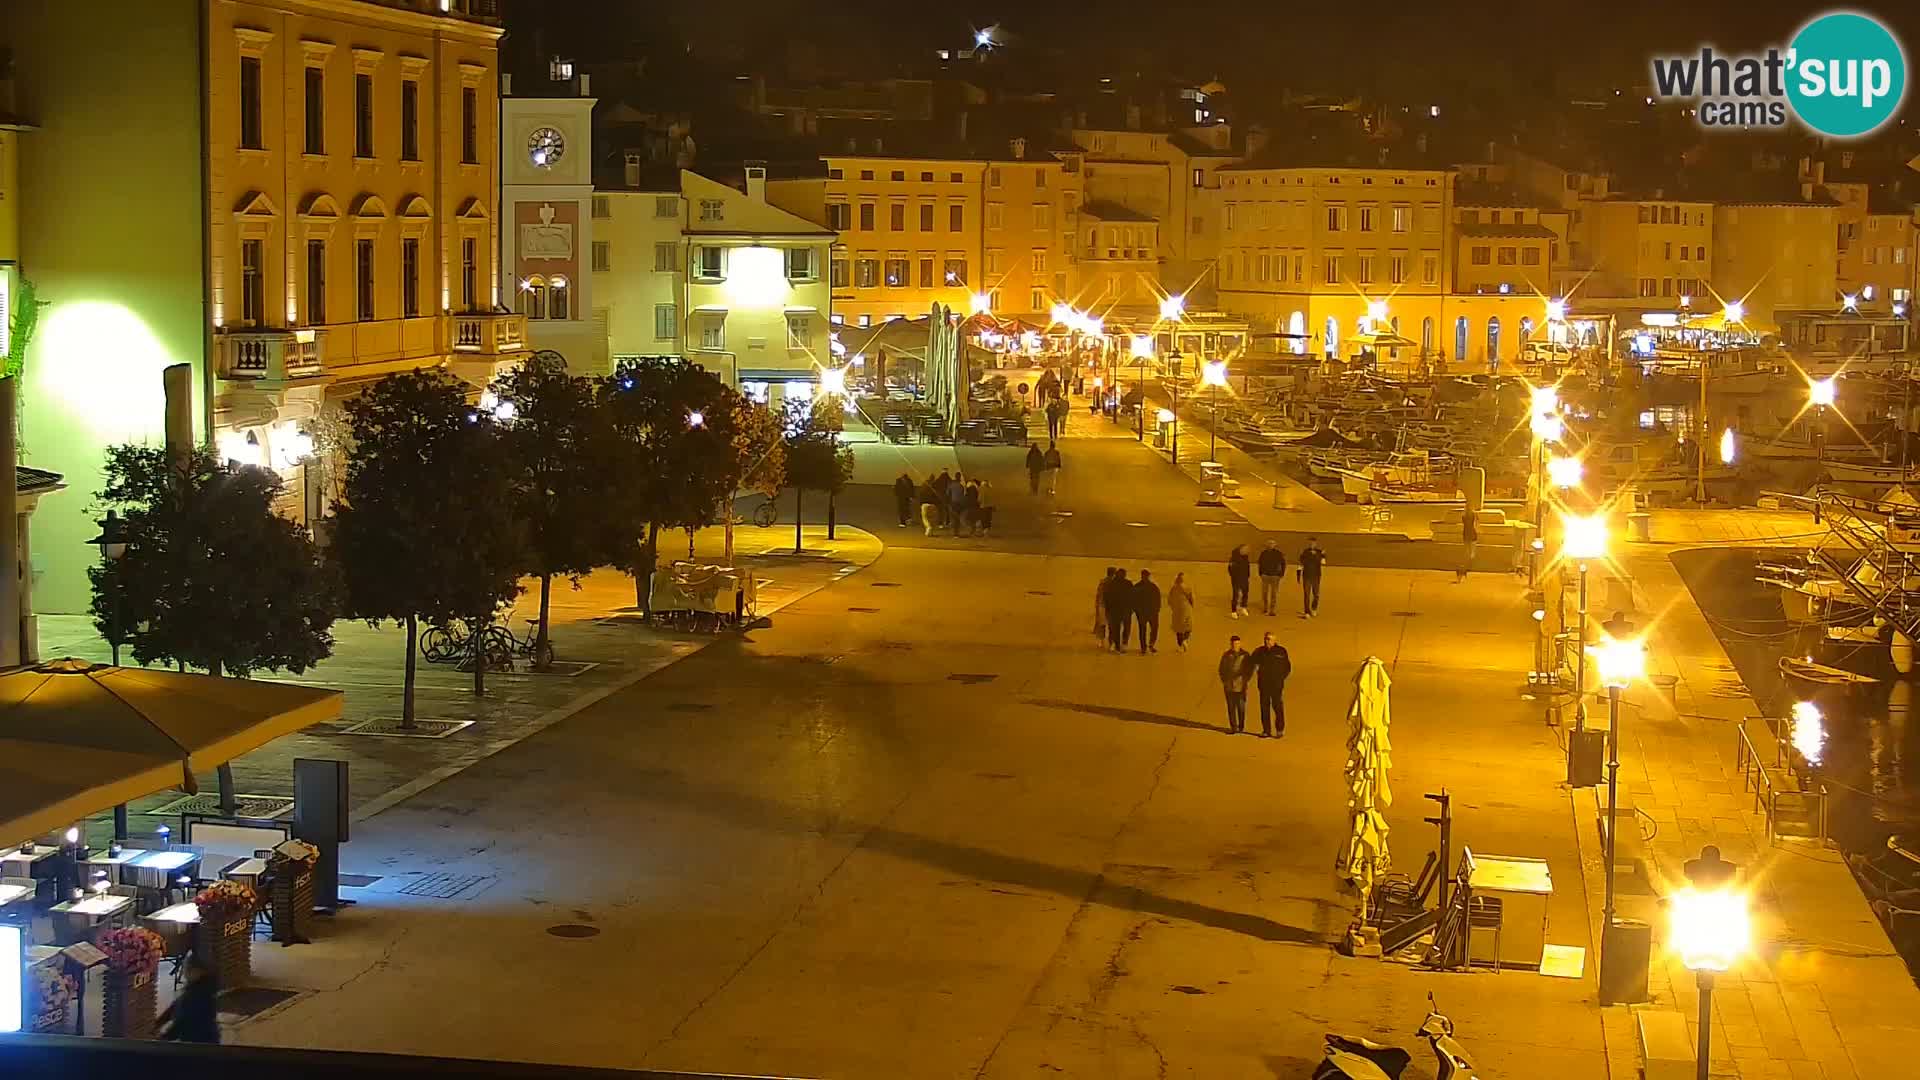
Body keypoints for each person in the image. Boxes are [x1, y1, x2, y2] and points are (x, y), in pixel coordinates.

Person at [159, 947, 221, 1043]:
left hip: (199, 1043)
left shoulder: (197, 994)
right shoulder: (198, 987)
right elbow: (176, 1005)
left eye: (187, 967)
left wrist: (163, 1038)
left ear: (198, 971)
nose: (184, 971)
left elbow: (182, 1023)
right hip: (205, 1039)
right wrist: (160, 1021)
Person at [1248, 631, 1293, 737]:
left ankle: (1279, 729)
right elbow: (1251, 663)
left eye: (1269, 639)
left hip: (1276, 685)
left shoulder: (1281, 651)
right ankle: (1266, 730)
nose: (1267, 641)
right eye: (1265, 639)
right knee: (1264, 708)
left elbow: (1287, 667)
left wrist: (1281, 678)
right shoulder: (1259, 651)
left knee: (1277, 707)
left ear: (1274, 640)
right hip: (1264, 685)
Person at [1217, 635, 1251, 733]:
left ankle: (1241, 726)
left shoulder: (1245, 655)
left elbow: (1249, 669)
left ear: (1240, 644)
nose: (1235, 645)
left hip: (1241, 686)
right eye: (1233, 643)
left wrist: (1245, 679)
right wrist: (1224, 680)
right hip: (1229, 686)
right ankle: (1233, 727)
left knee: (1241, 707)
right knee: (1231, 707)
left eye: (1236, 643)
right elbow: (1221, 669)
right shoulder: (1226, 655)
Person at [1133, 569, 1162, 654]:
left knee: (1150, 629)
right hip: (1146, 612)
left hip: (1149, 612)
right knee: (1145, 630)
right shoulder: (1152, 586)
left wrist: (1157, 609)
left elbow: (1158, 599)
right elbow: (1133, 599)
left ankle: (1148, 645)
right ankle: (1146, 646)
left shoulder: (1139, 586)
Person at [1257, 539, 1288, 616]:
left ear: (1275, 545)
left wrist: (1281, 574)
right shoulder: (1263, 553)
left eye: (1272, 543)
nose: (1271, 545)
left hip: (1275, 576)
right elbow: (1260, 563)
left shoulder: (1278, 553)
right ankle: (1265, 607)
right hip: (1265, 575)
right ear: (1267, 545)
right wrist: (1261, 573)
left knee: (1274, 593)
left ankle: (1272, 609)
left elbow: (1283, 564)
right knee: (1264, 592)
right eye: (1269, 543)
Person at [1298, 537, 1327, 618]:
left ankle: (1314, 609)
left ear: (1316, 544)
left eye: (1313, 543)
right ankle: (1307, 611)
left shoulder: (1319, 552)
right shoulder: (1305, 552)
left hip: (1316, 576)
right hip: (1306, 575)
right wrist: (1298, 575)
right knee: (1306, 595)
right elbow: (1301, 563)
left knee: (1316, 594)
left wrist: (1323, 555)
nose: (1312, 544)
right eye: (1310, 543)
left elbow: (1323, 563)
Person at [1104, 570, 1132, 652]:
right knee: (1118, 629)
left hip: (1121, 610)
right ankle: (1119, 645)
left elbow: (1133, 597)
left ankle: (1122, 644)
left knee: (1121, 628)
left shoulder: (1125, 584)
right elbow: (1107, 597)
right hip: (1118, 610)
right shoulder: (1113, 584)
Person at [1168, 572, 1196, 651]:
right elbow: (1191, 599)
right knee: (1188, 627)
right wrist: (1192, 606)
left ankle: (1181, 643)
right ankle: (1185, 640)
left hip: (1177, 610)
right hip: (1186, 609)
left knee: (1178, 629)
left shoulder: (1173, 588)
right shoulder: (1187, 588)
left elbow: (1169, 600)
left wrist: (1173, 607)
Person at [1227, 544, 1252, 617]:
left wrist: (1247, 576)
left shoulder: (1246, 557)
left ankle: (1243, 608)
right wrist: (1234, 577)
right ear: (1240, 549)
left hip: (1245, 579)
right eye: (1245, 549)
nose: (1247, 551)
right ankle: (1233, 612)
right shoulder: (1234, 558)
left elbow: (1247, 567)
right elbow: (1230, 569)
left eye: (1247, 549)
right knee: (1236, 595)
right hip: (1236, 580)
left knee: (1245, 594)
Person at [1456, 511, 1479, 583]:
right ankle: (1463, 570)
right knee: (1471, 555)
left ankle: (1462, 570)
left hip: (1467, 535)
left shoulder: (1464, 516)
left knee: (1468, 554)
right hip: (1471, 535)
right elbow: (1476, 525)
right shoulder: (1473, 516)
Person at [1094, 567, 1115, 643]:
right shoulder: (1114, 582)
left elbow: (1098, 594)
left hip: (1102, 605)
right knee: (1111, 625)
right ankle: (1110, 641)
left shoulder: (1103, 582)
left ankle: (1102, 640)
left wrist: (1097, 605)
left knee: (1102, 624)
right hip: (1110, 606)